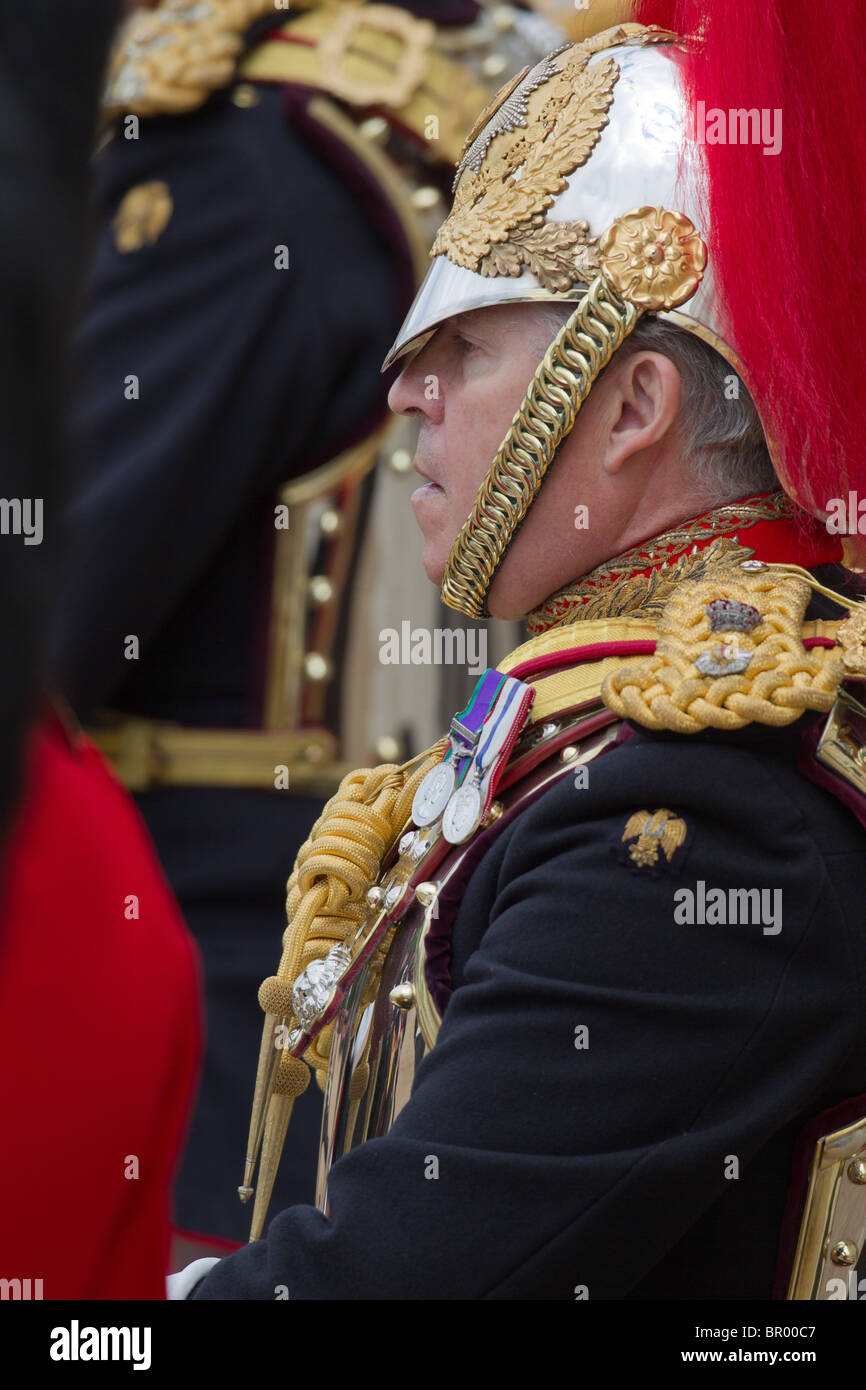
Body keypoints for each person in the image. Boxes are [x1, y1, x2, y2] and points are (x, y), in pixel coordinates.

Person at [176, 1, 866, 1299]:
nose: (402, 393)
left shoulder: (696, 806)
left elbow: (398, 1280)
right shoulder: (618, 732)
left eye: (463, 349)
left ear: (630, 406)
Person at [50, 0, 576, 1250]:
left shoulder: (244, 156)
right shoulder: (499, 110)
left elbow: (50, 615)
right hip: (411, 999)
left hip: (202, 1027)